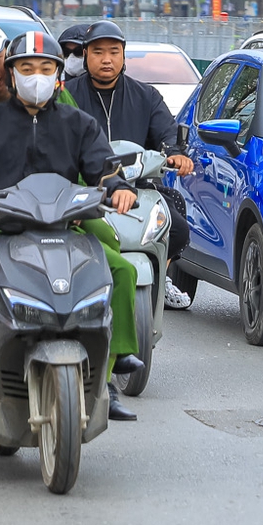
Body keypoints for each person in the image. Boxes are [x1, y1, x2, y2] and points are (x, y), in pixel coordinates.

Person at [0, 32, 138, 424]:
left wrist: (117, 188)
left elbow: (103, 168)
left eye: (46, 68)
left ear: (59, 76)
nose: (37, 76)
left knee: (120, 268)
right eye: (27, 68)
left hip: (65, 224)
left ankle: (108, 378)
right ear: (13, 74)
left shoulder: (78, 122)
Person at [61, 19, 196, 308]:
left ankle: (160, 274)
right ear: (86, 55)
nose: (106, 59)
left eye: (113, 51)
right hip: (83, 185)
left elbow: (166, 133)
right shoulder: (66, 95)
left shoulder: (146, 96)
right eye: (97, 52)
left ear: (124, 55)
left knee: (177, 227)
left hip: (137, 185)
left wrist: (175, 153)